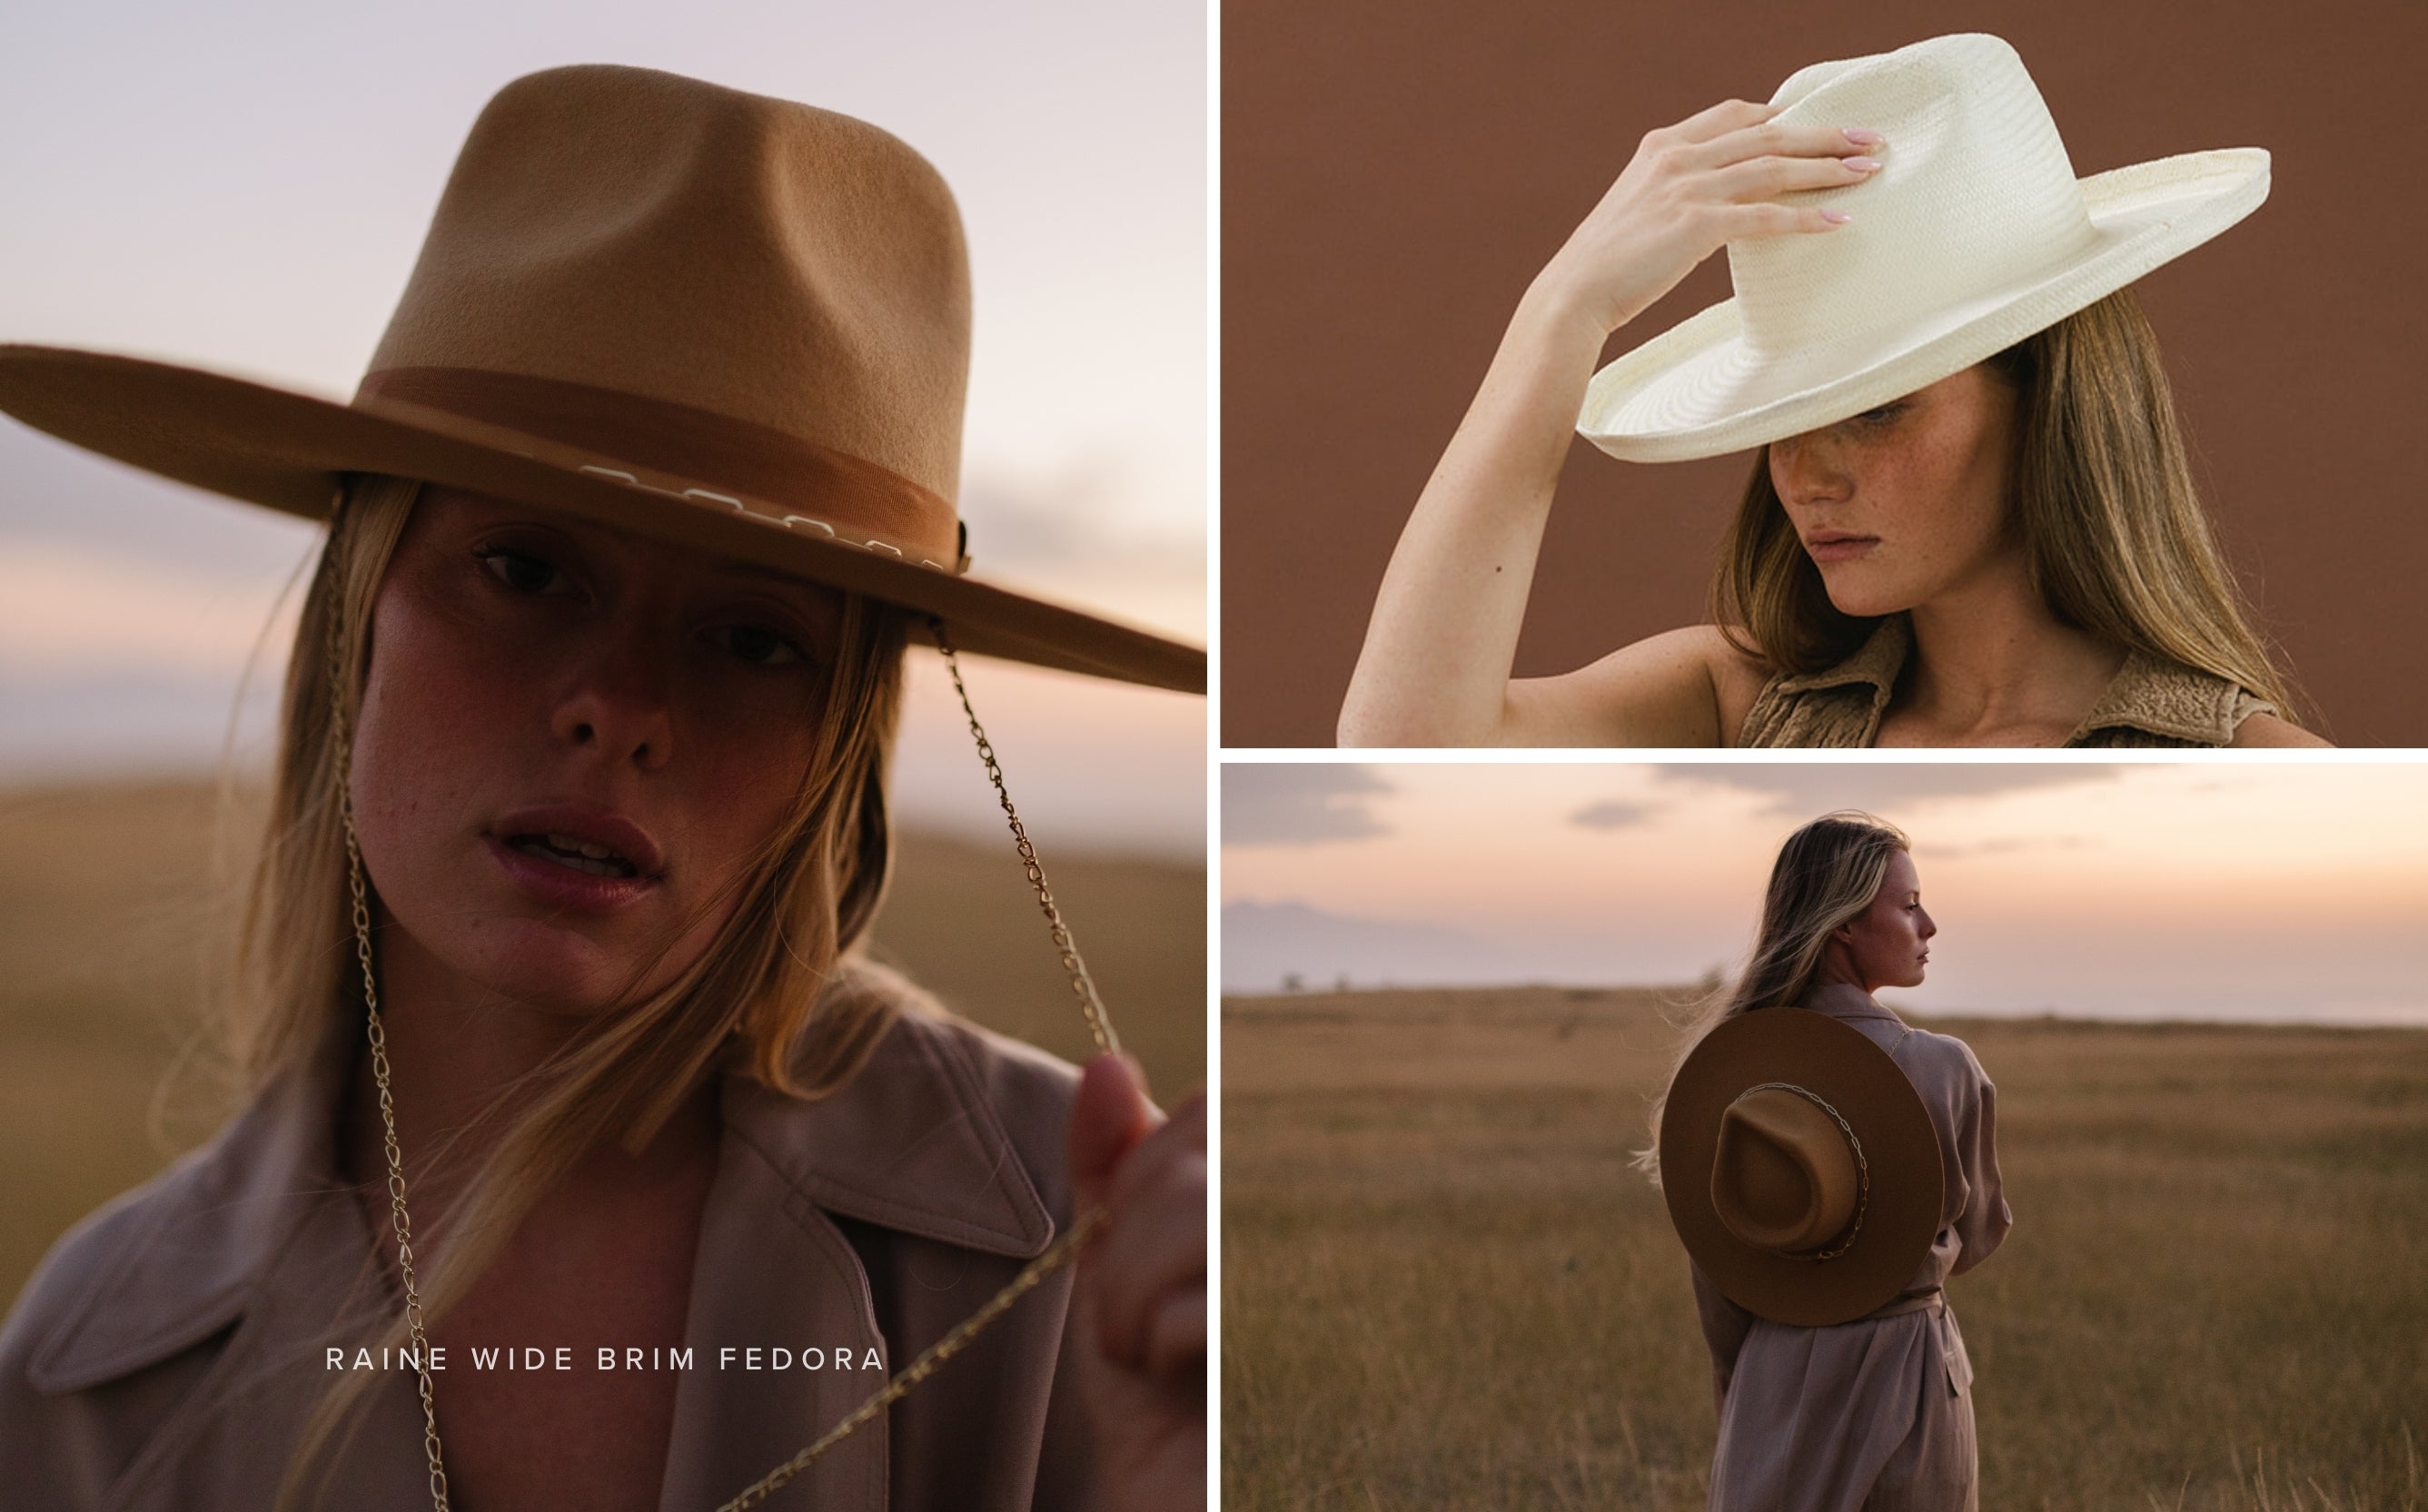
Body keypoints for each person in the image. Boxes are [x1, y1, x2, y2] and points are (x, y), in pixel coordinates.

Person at [0, 65, 1204, 1512]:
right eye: (525, 569)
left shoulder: (1101, 1274)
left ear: (839, 746)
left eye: (753, 640)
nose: (621, 709)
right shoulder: (86, 1378)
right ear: (356, 610)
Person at [1338, 33, 2326, 749]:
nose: (1804, 475)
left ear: (2048, 407)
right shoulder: (1738, 701)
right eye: (1790, 420)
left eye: (1877, 408)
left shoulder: (2256, 769)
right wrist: (1564, 307)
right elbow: (1401, 753)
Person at [1643, 811, 2010, 1509]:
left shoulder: (1729, 1074)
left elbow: (1719, 1292)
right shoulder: (1941, 1068)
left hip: (1768, 1379)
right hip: (1907, 1376)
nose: (1927, 925)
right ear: (1842, 923)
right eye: (1907, 905)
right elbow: (1978, 1237)